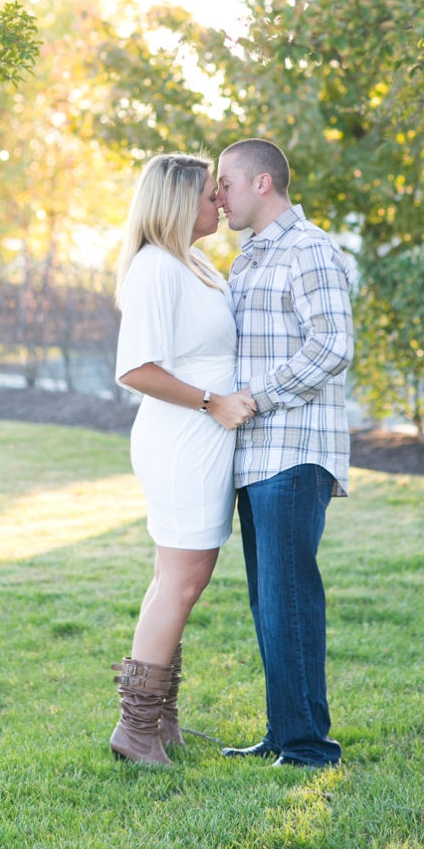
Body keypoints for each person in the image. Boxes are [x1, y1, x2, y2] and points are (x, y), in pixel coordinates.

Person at [110, 152, 256, 766]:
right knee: (183, 580)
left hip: (199, 440)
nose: (219, 202)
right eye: (207, 193)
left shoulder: (193, 264)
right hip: (183, 441)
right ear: (174, 203)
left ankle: (161, 720)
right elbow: (136, 369)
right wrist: (213, 402)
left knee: (177, 580)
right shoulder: (154, 269)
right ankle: (136, 729)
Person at [216, 138, 354, 768]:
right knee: (269, 602)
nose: (218, 196)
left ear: (262, 183)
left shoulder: (310, 248)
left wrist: (256, 398)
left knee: (289, 597)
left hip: (294, 452)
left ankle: (307, 747)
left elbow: (332, 345)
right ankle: (285, 731)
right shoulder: (246, 261)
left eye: (226, 183)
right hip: (254, 455)